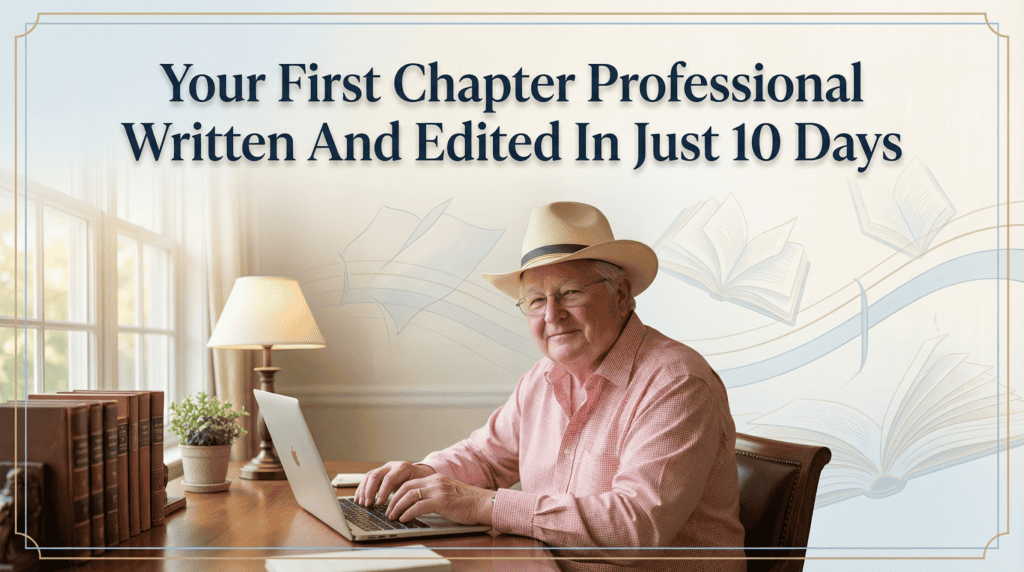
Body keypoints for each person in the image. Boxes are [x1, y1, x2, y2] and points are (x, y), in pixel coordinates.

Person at [356, 202, 746, 571]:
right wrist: (422, 474)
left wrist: (484, 505)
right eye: (536, 301)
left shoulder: (676, 382)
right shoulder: (542, 378)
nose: (552, 315)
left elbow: (636, 527)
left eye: (570, 293)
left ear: (621, 294)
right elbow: (486, 457)